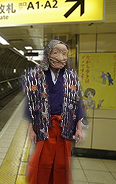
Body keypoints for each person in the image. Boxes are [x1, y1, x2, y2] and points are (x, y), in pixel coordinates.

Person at [24, 39, 84, 184]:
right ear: (48, 54)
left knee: (62, 163)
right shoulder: (36, 77)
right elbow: (30, 103)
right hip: (44, 126)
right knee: (42, 161)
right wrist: (31, 129)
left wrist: (79, 128)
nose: (60, 57)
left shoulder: (72, 77)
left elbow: (78, 103)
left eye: (64, 53)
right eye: (56, 52)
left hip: (66, 126)